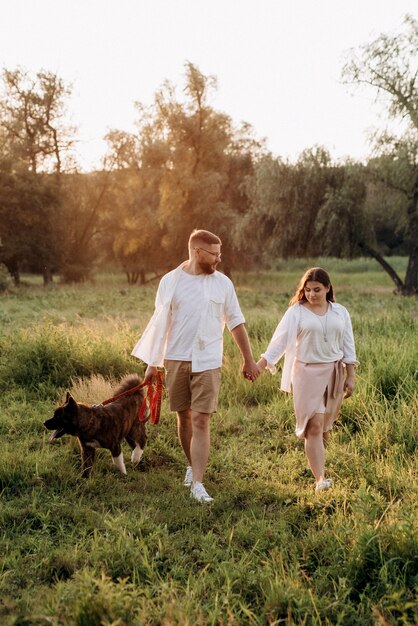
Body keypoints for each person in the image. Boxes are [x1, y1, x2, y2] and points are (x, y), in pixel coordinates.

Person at [131, 229, 260, 503]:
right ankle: (191, 465)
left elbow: (236, 322)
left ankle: (198, 485)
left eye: (220, 253)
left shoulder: (223, 284)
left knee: (202, 419)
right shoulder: (170, 281)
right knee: (184, 416)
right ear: (197, 252)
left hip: (208, 361)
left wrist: (249, 359)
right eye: (214, 254)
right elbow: (160, 323)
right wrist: (153, 364)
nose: (219, 259)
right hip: (176, 358)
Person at [256, 267, 358, 492]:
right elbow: (278, 342)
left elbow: (348, 345)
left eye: (317, 290)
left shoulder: (340, 312)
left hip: (334, 373)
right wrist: (260, 365)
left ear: (328, 288)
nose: (311, 294)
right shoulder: (296, 312)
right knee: (313, 427)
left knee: (323, 429)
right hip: (306, 374)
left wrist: (350, 376)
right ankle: (320, 480)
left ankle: (319, 463)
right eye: (307, 290)